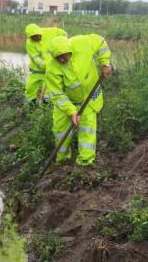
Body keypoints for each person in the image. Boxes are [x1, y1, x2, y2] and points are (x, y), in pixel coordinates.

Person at [45, 34, 112, 166]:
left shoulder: (83, 43)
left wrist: (105, 63)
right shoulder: (52, 68)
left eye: (64, 55)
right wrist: (71, 111)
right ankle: (62, 160)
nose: (62, 59)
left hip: (89, 97)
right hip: (67, 102)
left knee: (87, 129)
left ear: (69, 50)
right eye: (58, 57)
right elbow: (57, 94)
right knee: (60, 132)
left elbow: (101, 41)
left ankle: (85, 162)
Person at [24, 23, 67, 102]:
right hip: (37, 71)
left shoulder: (49, 32)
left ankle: (46, 103)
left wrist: (61, 43)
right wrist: (46, 66)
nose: (36, 38)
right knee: (31, 87)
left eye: (37, 35)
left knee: (49, 89)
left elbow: (63, 33)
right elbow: (35, 57)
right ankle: (31, 103)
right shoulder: (29, 43)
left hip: (50, 71)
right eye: (33, 37)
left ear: (40, 32)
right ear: (29, 37)